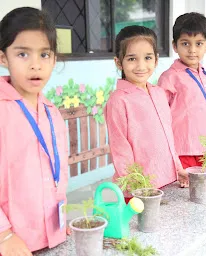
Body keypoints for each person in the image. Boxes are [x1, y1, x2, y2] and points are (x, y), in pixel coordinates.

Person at [0, 7, 69, 255]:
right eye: (22, 54)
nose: (35, 65)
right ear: (3, 58)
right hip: (11, 243)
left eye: (44, 54)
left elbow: (56, 171)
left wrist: (59, 220)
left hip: (51, 238)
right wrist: (4, 236)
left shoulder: (51, 111)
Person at [104, 25, 188, 202]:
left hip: (168, 180)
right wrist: (135, 185)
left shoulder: (158, 93)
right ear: (119, 62)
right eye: (132, 58)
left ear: (156, 60)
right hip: (139, 189)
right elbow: (121, 148)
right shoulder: (118, 100)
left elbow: (168, 136)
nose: (141, 66)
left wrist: (178, 167)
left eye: (148, 57)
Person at [158, 12, 206, 169]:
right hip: (182, 154)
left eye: (199, 43)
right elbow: (159, 119)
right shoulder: (169, 78)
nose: (192, 50)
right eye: (185, 43)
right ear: (175, 46)